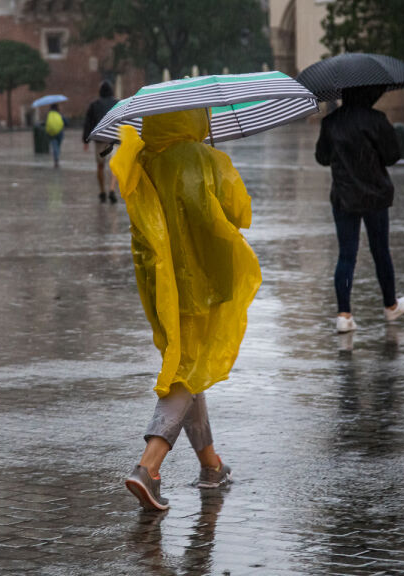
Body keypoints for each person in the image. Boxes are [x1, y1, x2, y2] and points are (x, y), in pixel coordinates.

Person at [109, 108, 261, 511]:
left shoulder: (145, 160)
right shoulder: (205, 159)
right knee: (185, 371)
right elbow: (240, 212)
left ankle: (211, 466)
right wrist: (211, 163)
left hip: (160, 288)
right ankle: (148, 467)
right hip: (203, 283)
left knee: (187, 367)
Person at [314, 85, 404, 333]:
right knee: (381, 251)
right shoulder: (376, 120)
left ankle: (344, 314)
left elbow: (322, 157)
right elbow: (392, 156)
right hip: (374, 196)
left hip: (344, 196)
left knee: (347, 255)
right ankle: (390, 306)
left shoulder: (331, 122)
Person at [83, 80, 120, 203]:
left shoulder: (94, 105)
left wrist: (85, 140)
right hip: (114, 139)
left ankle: (102, 191)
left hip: (100, 139)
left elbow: (88, 123)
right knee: (114, 166)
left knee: (100, 166)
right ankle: (112, 189)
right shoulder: (117, 103)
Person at [45, 103, 66, 168]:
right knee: (58, 146)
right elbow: (66, 122)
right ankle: (57, 157)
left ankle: (56, 160)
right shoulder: (59, 114)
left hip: (51, 134)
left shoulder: (48, 114)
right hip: (60, 133)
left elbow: (46, 123)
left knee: (54, 146)